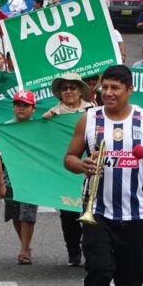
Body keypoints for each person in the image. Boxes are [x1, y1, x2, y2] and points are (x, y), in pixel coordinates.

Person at [64, 65, 143, 286]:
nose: (107, 93)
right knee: (98, 271)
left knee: (129, 283)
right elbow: (69, 158)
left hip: (135, 215)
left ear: (130, 90)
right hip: (97, 213)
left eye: (115, 88)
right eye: (104, 87)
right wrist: (81, 164)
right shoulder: (88, 119)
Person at [44, 72, 93, 266]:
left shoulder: (93, 111)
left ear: (80, 90)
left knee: (91, 214)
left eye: (73, 87)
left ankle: (91, 252)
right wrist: (46, 120)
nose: (69, 91)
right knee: (68, 214)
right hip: (64, 173)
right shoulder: (50, 115)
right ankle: (73, 252)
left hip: (89, 170)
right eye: (64, 88)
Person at [3, 89, 40, 265]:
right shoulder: (5, 128)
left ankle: (25, 249)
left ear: (33, 108)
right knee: (15, 213)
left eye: (25, 105)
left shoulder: (40, 128)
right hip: (10, 177)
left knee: (28, 213)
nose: (21, 108)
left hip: (31, 178)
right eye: (18, 104)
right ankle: (24, 244)